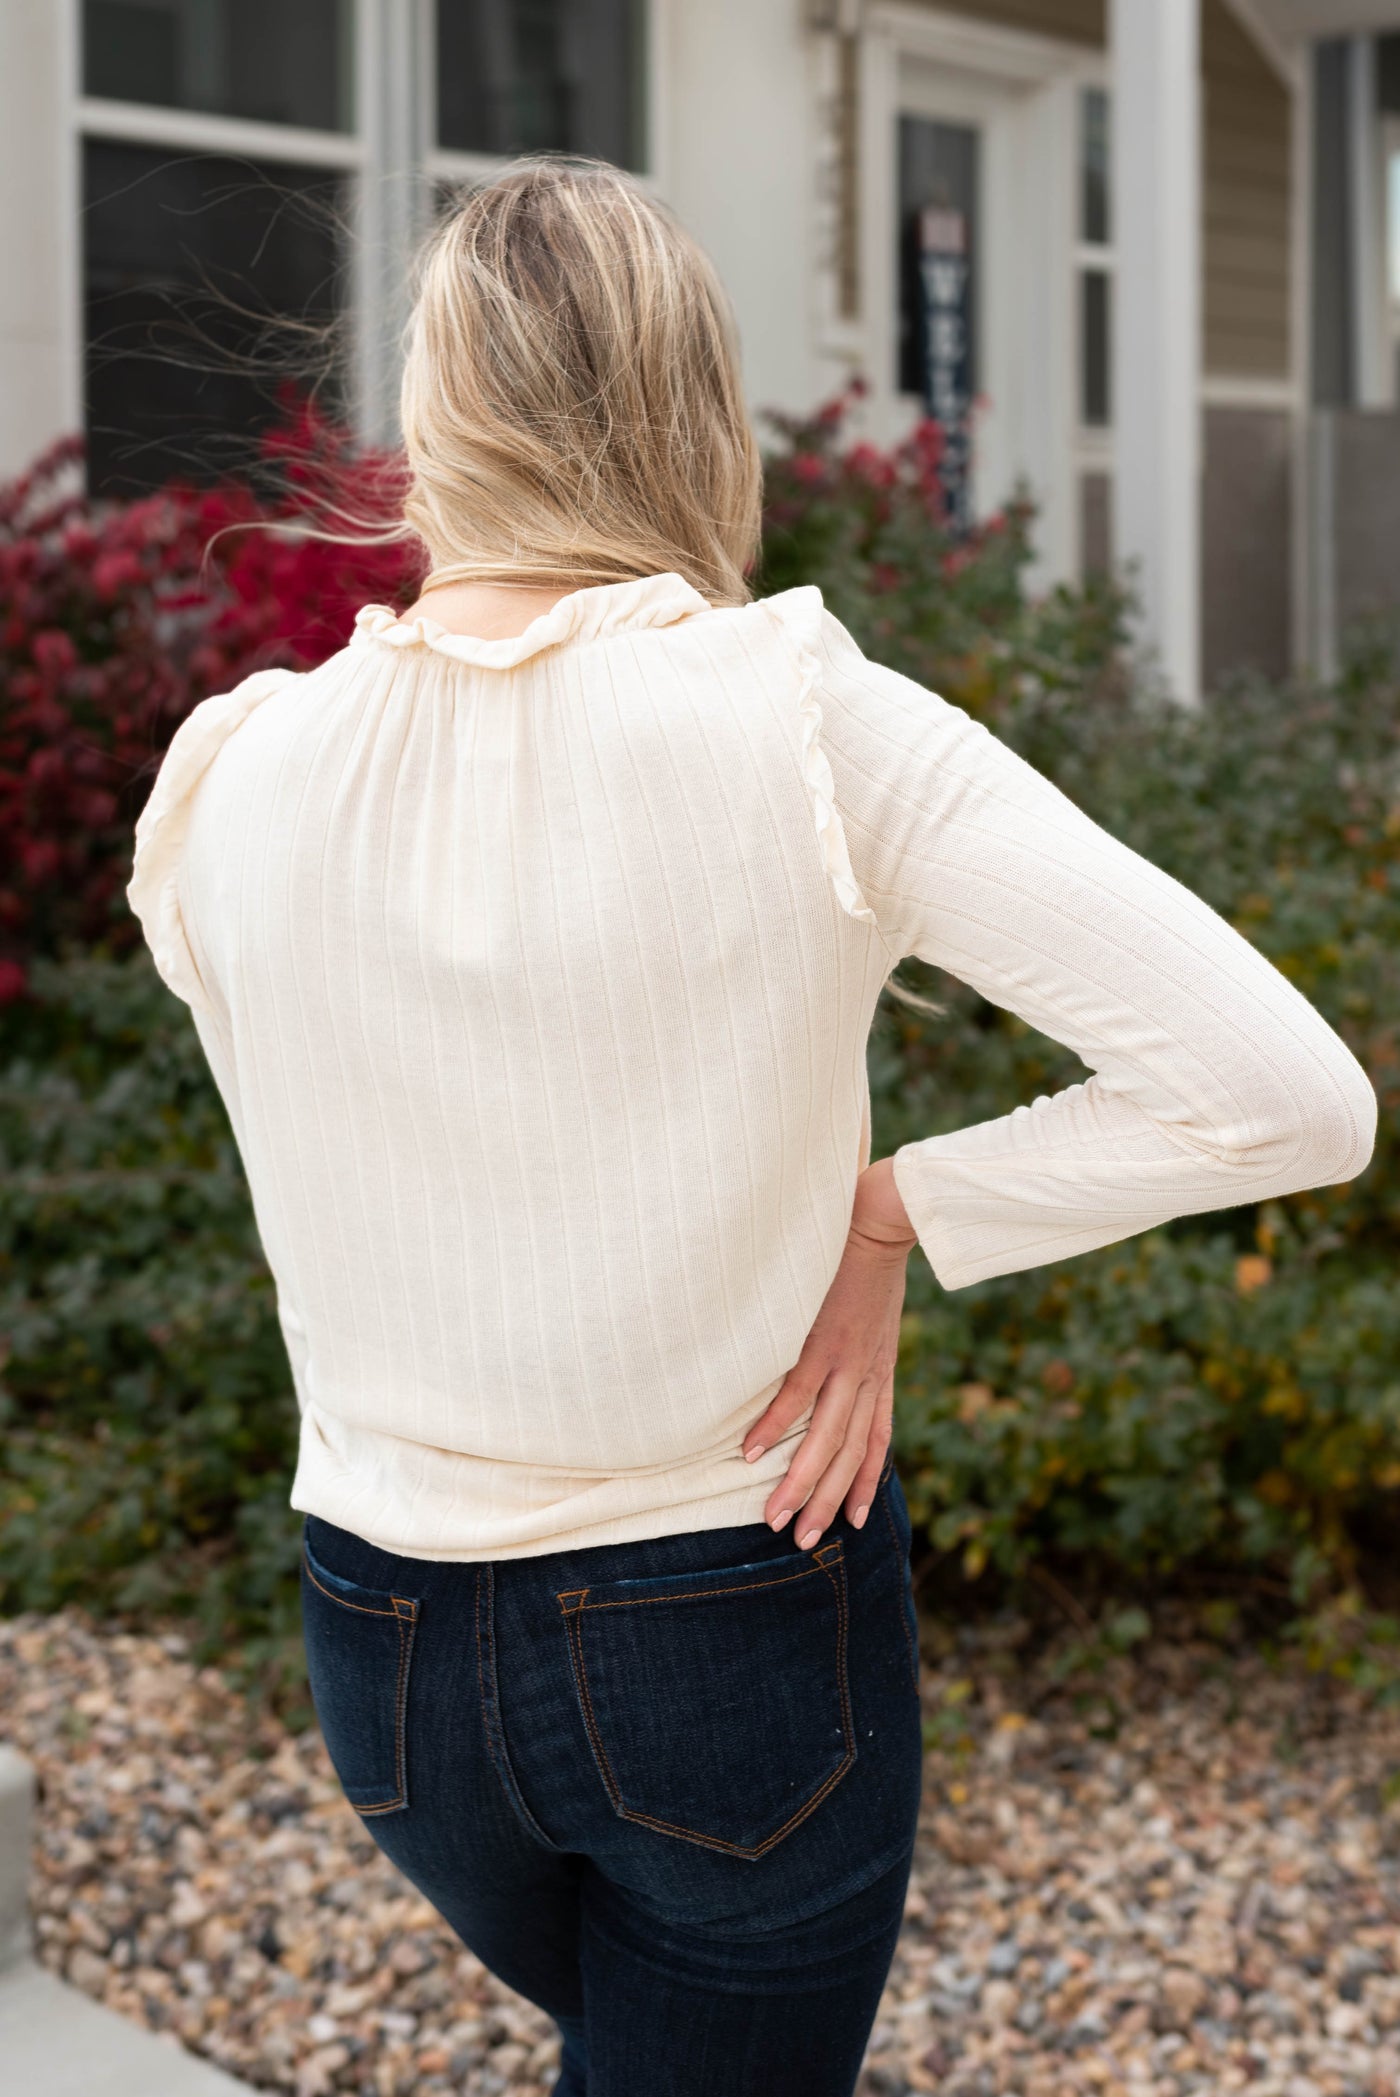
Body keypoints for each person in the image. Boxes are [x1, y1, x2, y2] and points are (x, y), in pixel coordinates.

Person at [126, 159, 1376, 2097]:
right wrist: (896, 1211)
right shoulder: (804, 719)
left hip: (379, 1652)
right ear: (691, 408)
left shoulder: (234, 772)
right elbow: (1289, 1095)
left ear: (426, 418)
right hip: (727, 1615)